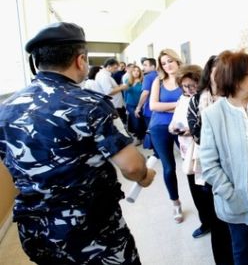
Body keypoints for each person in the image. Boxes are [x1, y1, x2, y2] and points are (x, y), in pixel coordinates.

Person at [0, 22, 155, 264]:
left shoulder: (6, 109)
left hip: (39, 235)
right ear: (80, 60)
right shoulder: (89, 104)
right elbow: (132, 167)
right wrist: (145, 176)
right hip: (92, 233)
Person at [198, 50, 248, 265]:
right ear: (235, 79)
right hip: (238, 197)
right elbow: (209, 165)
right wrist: (231, 194)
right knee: (242, 250)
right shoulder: (213, 115)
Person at [187, 55, 235, 264]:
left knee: (236, 217)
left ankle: (241, 254)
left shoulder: (234, 97)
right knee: (218, 220)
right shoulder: (197, 100)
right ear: (210, 73)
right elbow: (197, 136)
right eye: (217, 69)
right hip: (210, 166)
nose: (221, 74)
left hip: (236, 166)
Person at [167, 64, 211, 239]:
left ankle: (214, 222)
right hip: (187, 153)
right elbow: (175, 121)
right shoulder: (182, 99)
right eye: (185, 86)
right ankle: (206, 222)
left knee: (207, 191)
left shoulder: (205, 98)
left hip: (202, 153)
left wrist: (192, 131)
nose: (189, 89)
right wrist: (174, 128)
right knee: (195, 191)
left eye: (193, 85)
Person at [148, 49, 184, 223]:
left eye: (170, 61)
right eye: (163, 63)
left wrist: (168, 106)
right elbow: (153, 106)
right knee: (169, 168)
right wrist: (178, 104)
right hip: (159, 128)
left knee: (191, 164)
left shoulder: (185, 79)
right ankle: (175, 203)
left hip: (182, 127)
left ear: (177, 61)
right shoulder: (158, 81)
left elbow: (191, 102)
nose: (167, 65)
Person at [96, 57, 128, 124]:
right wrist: (121, 87)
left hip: (115, 104)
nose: (116, 70)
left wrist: (119, 86)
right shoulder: (104, 76)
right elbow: (109, 91)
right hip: (113, 104)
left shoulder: (106, 75)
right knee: (119, 123)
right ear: (109, 66)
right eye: (115, 68)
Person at [135, 57, 158, 145]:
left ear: (153, 66)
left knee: (152, 132)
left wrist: (138, 107)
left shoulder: (148, 77)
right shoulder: (160, 75)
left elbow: (145, 93)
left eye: (145, 65)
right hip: (159, 109)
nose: (143, 67)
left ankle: (157, 153)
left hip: (149, 108)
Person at [124, 64, 145, 145]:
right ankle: (138, 138)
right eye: (134, 71)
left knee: (138, 121)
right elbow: (125, 94)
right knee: (134, 121)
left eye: (138, 71)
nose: (136, 73)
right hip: (130, 105)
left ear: (140, 73)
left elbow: (144, 94)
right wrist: (126, 105)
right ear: (131, 72)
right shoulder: (128, 81)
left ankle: (140, 138)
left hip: (139, 105)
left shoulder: (142, 82)